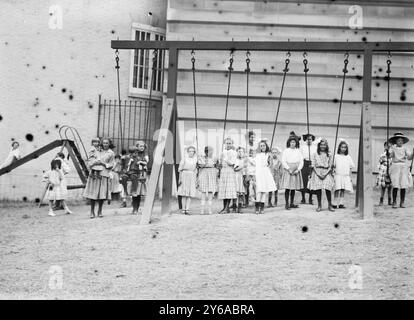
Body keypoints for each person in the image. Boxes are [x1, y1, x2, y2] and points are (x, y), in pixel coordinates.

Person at [83, 138, 114, 218]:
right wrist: (94, 163)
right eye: (103, 143)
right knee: (93, 193)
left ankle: (100, 211)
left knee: (102, 194)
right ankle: (92, 211)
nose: (105, 144)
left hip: (104, 174)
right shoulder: (97, 150)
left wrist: (103, 164)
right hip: (95, 174)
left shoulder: (111, 153)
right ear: (101, 143)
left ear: (109, 144)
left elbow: (111, 165)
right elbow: (90, 161)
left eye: (107, 143)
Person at [388, 132, 413, 208]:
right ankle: (394, 202)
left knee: (403, 185)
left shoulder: (405, 149)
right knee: (395, 185)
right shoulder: (393, 148)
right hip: (395, 166)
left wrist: (412, 153)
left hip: (403, 167)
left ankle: (402, 202)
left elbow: (409, 157)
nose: (400, 142)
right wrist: (388, 151)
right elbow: (390, 156)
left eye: (401, 141)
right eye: (398, 140)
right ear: (395, 141)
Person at [308, 138, 335, 212]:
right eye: (321, 145)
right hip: (317, 171)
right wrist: (318, 174)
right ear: (319, 145)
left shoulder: (329, 154)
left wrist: (325, 174)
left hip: (326, 171)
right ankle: (319, 205)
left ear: (326, 146)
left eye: (324, 145)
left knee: (328, 188)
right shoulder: (314, 154)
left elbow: (330, 166)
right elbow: (313, 165)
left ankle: (330, 204)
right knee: (318, 189)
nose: (323, 146)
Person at [281, 133, 303, 210]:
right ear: (289, 143)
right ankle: (286, 203)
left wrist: (298, 169)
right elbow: (283, 161)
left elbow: (301, 161)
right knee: (287, 188)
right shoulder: (286, 151)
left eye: (294, 142)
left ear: (296, 143)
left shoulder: (298, 151)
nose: (293, 143)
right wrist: (288, 168)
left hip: (296, 170)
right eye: (291, 142)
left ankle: (292, 203)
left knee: (293, 188)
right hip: (288, 170)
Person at [255, 140, 277, 214]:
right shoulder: (258, 155)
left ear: (266, 146)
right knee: (259, 190)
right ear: (259, 147)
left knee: (264, 190)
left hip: (266, 172)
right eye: (261, 146)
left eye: (264, 145)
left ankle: (262, 207)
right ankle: (257, 207)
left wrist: (269, 160)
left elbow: (270, 165)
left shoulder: (268, 155)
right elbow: (257, 165)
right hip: (259, 172)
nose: (262, 147)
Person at [333, 139, 355, 209]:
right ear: (339, 147)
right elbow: (333, 165)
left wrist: (350, 177)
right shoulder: (336, 156)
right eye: (342, 147)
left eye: (345, 147)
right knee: (337, 189)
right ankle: (334, 203)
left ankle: (341, 203)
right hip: (338, 175)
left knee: (342, 189)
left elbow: (351, 167)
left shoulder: (348, 157)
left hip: (345, 175)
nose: (343, 149)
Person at [128, 141, 149, 214]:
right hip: (134, 174)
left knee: (139, 192)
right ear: (137, 147)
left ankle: (137, 208)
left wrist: (142, 162)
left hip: (142, 174)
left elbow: (146, 162)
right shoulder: (133, 154)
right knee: (134, 191)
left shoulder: (145, 155)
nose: (142, 147)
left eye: (143, 146)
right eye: (140, 146)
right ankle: (134, 208)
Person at [218, 138, 237, 213]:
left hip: (230, 171)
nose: (228, 145)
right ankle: (224, 207)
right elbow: (220, 162)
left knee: (228, 189)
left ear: (232, 144)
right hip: (223, 171)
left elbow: (232, 163)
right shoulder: (223, 152)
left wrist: (225, 158)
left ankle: (227, 207)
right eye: (227, 143)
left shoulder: (234, 152)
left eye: (230, 143)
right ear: (224, 144)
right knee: (223, 190)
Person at [197, 146, 218, 214]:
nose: (211, 152)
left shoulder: (215, 158)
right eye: (209, 151)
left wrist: (216, 165)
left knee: (210, 192)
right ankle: (202, 209)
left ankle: (209, 209)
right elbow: (200, 165)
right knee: (203, 191)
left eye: (212, 151)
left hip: (212, 174)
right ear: (206, 152)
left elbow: (217, 166)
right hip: (204, 174)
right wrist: (204, 162)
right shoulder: (202, 158)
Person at [177, 146, 198, 214]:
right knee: (184, 193)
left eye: (193, 151)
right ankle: (183, 209)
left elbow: (196, 169)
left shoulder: (195, 160)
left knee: (189, 194)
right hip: (184, 175)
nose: (191, 152)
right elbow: (180, 170)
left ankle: (187, 209)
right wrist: (180, 179)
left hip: (192, 175)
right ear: (187, 152)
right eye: (190, 151)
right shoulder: (184, 159)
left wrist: (195, 179)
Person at [300, 133, 316, 205]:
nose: (309, 141)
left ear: (312, 140)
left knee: (311, 181)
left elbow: (316, 157)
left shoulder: (315, 147)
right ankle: (303, 198)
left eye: (310, 139)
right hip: (304, 164)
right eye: (307, 139)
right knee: (304, 181)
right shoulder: (302, 147)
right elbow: (300, 157)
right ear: (305, 140)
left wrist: (313, 164)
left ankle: (310, 198)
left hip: (311, 164)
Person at [376, 141, 393, 206]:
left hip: (390, 171)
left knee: (390, 186)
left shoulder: (391, 155)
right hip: (384, 170)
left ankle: (389, 200)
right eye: (387, 146)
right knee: (383, 186)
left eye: (389, 146)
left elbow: (392, 162)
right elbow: (380, 162)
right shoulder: (383, 154)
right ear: (384, 146)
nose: (388, 147)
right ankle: (381, 200)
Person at [244, 131, 257, 205]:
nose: (253, 138)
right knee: (247, 185)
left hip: (254, 167)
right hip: (247, 167)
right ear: (248, 138)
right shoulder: (246, 146)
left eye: (253, 137)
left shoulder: (256, 146)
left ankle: (256, 199)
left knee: (255, 184)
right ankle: (246, 201)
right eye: (251, 137)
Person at [233, 147, 247, 213]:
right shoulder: (236, 160)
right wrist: (241, 166)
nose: (240, 153)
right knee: (236, 192)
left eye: (241, 151)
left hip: (243, 177)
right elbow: (235, 168)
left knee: (242, 192)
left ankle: (240, 206)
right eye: (239, 151)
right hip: (237, 176)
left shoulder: (245, 160)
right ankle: (234, 206)